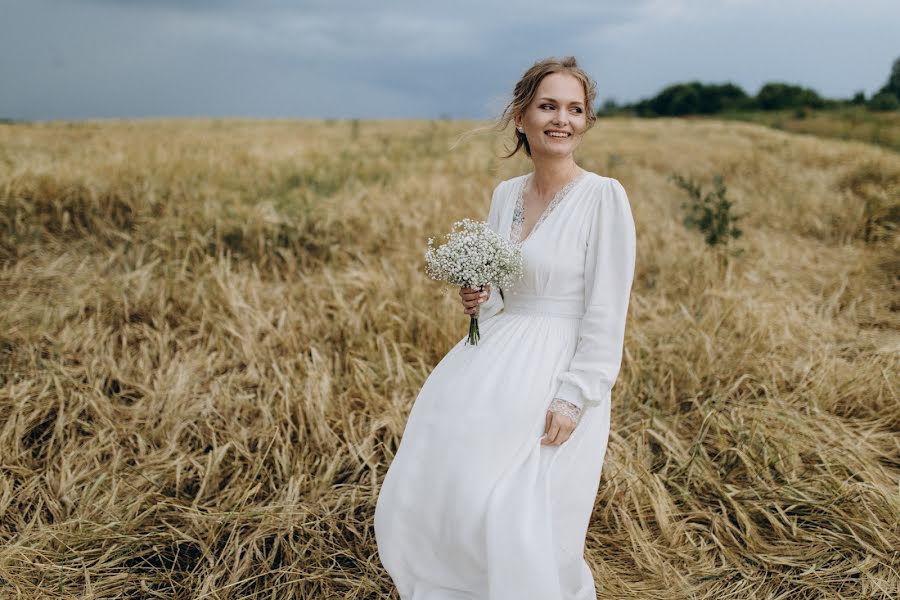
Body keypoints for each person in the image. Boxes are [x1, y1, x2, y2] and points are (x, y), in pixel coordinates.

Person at [373, 56, 637, 600]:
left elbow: (607, 311)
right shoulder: (505, 197)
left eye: (574, 109)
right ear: (522, 117)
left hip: (558, 372)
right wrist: (479, 297)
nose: (560, 119)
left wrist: (576, 395)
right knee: (463, 483)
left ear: (586, 122)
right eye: (547, 106)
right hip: (493, 360)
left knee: (526, 503)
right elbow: (498, 299)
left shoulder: (604, 197)